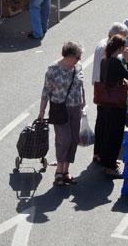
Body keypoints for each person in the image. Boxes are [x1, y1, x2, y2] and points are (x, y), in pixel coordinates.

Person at [36, 42, 86, 187]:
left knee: (74, 139)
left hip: (76, 108)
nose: (79, 59)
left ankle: (66, 170)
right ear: (69, 56)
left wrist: (84, 103)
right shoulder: (53, 70)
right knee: (64, 139)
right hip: (60, 109)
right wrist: (42, 112)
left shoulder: (78, 67)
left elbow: (81, 87)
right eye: (77, 57)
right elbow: (45, 92)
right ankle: (58, 170)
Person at [95, 36, 128, 178]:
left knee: (106, 134)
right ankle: (111, 167)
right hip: (116, 104)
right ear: (120, 48)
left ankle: (106, 163)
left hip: (105, 102)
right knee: (115, 136)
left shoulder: (104, 61)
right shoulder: (117, 62)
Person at [92, 22, 128, 166]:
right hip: (109, 93)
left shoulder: (103, 46)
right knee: (109, 128)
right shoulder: (112, 57)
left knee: (101, 124)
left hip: (101, 90)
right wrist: (127, 61)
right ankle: (106, 158)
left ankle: (99, 153)